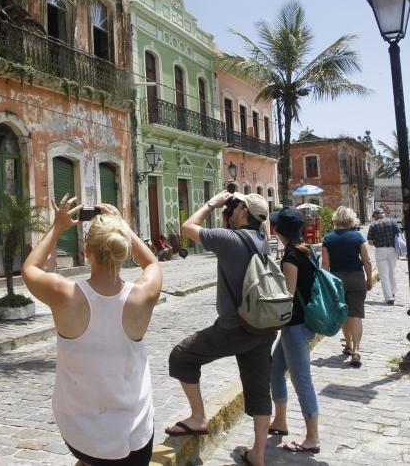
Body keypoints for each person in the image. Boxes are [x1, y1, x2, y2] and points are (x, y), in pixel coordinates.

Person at [22, 196, 162, 466]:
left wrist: (57, 227)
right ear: (123, 249)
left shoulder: (65, 295)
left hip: (82, 434)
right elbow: (153, 264)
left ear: (87, 251)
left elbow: (30, 267)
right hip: (136, 433)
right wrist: (123, 226)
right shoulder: (143, 295)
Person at [166, 191, 275, 466]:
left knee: (182, 355)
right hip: (264, 326)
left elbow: (188, 227)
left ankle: (198, 417)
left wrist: (212, 204)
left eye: (235, 207)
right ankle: (258, 455)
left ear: (241, 213)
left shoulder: (229, 239)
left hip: (234, 328)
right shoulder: (264, 240)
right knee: (260, 389)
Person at [267, 207, 321, 455]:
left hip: (295, 326)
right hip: (301, 323)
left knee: (301, 380)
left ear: (279, 230)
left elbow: (287, 296)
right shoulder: (307, 250)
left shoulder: (291, 257)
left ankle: (312, 437)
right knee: (276, 370)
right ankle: (280, 421)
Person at [321, 206, 372, 367]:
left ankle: (348, 345)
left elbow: (325, 264)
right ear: (351, 219)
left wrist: (325, 284)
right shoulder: (357, 237)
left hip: (337, 280)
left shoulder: (328, 238)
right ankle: (356, 350)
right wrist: (369, 279)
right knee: (355, 314)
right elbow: (367, 260)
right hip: (356, 278)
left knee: (342, 312)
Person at [366, 209, 400, 306]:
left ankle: (389, 298)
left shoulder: (373, 225)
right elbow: (398, 235)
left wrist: (377, 242)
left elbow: (370, 242)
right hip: (392, 250)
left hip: (380, 250)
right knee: (391, 272)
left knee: (384, 276)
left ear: (376, 215)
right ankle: (393, 293)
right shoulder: (392, 223)